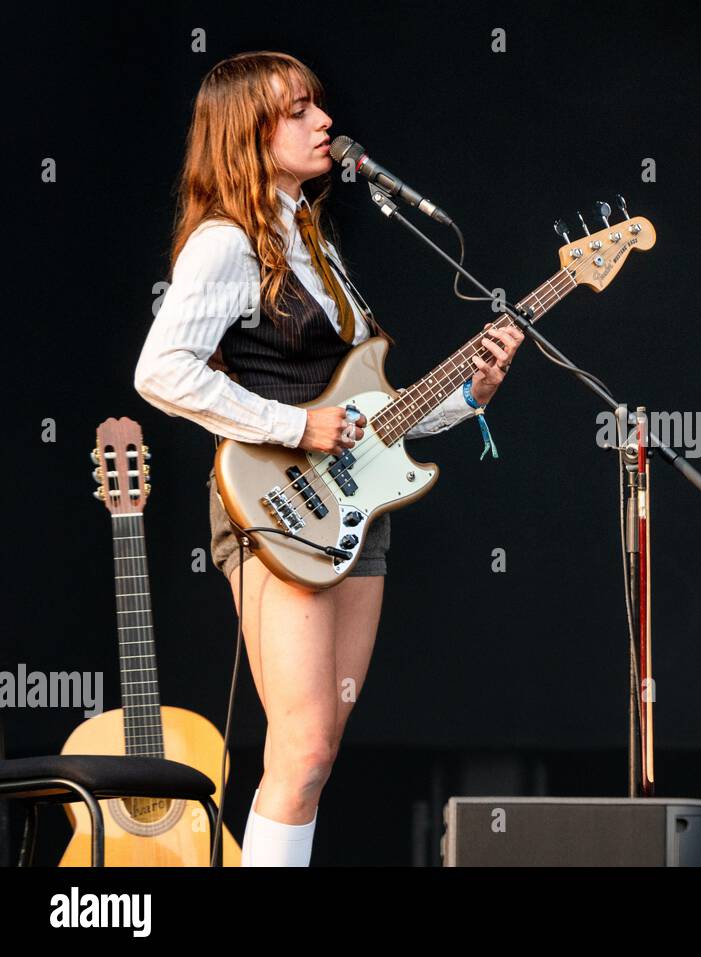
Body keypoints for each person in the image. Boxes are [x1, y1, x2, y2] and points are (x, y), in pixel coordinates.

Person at [134, 51, 524, 866]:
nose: (324, 123)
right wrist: (292, 425)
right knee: (302, 748)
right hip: (274, 502)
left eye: (319, 107)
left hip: (351, 505)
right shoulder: (225, 243)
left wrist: (473, 392)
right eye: (299, 111)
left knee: (317, 753)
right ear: (248, 134)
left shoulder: (314, 239)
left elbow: (376, 416)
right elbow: (161, 372)